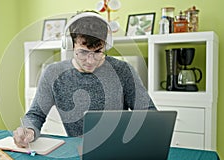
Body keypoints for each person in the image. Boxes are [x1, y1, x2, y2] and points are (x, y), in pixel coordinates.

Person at [13, 11, 156, 148]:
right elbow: (36, 115)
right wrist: (28, 130)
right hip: (78, 152)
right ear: (70, 45)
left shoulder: (123, 70)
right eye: (83, 52)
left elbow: (148, 113)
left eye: (98, 52)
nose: (90, 60)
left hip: (120, 149)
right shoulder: (53, 73)